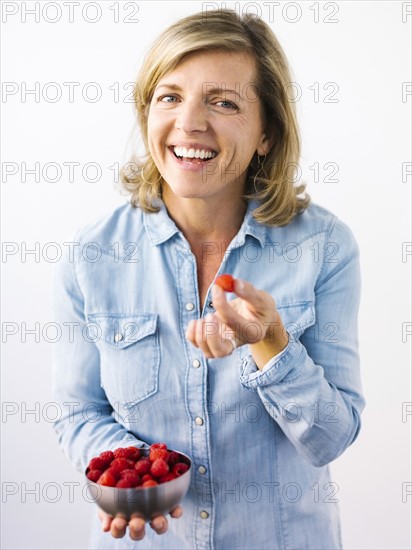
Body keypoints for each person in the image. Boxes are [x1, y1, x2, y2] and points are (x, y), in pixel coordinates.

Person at [52, 8, 365, 550]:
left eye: (223, 102)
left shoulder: (325, 247)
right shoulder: (92, 253)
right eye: (169, 97)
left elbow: (330, 438)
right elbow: (80, 411)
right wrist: (128, 477)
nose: (190, 123)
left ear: (267, 132)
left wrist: (272, 342)